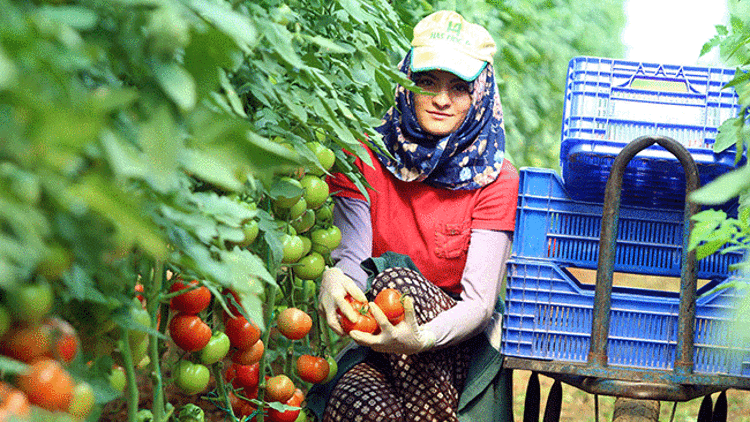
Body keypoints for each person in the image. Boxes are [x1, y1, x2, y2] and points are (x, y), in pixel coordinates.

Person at [315, 10, 519, 422]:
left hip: (457, 346)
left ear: (479, 96)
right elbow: (353, 260)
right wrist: (335, 277)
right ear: (406, 83)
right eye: (427, 81)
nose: (441, 99)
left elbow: (479, 305)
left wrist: (420, 337)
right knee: (354, 400)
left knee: (394, 279)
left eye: (459, 88)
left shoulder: (495, 178)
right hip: (378, 338)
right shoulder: (364, 159)